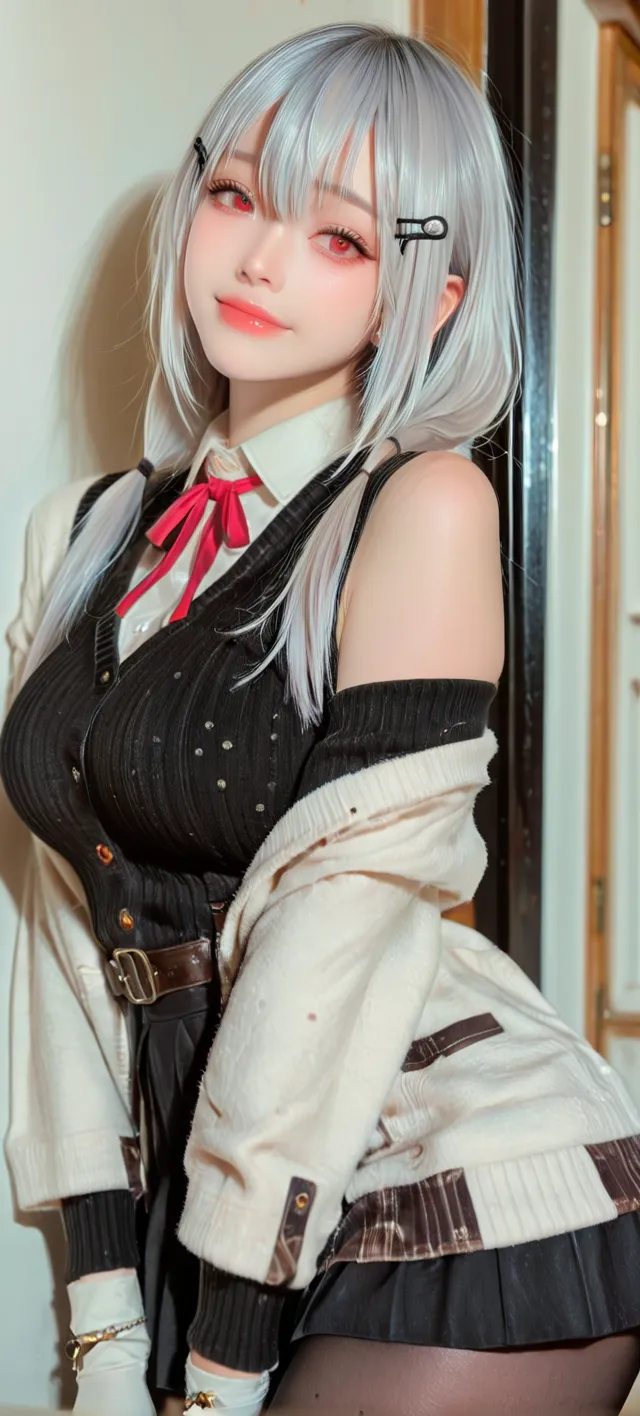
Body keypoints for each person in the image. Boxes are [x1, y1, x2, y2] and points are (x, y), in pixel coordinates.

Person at [2, 22, 640, 1416]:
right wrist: (103, 1318)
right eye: (235, 195)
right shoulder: (84, 532)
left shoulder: (422, 506)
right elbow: (59, 931)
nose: (260, 259)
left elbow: (340, 929)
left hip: (453, 1176)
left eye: (342, 236)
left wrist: (221, 1354)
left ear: (434, 290)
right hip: (221, 1197)